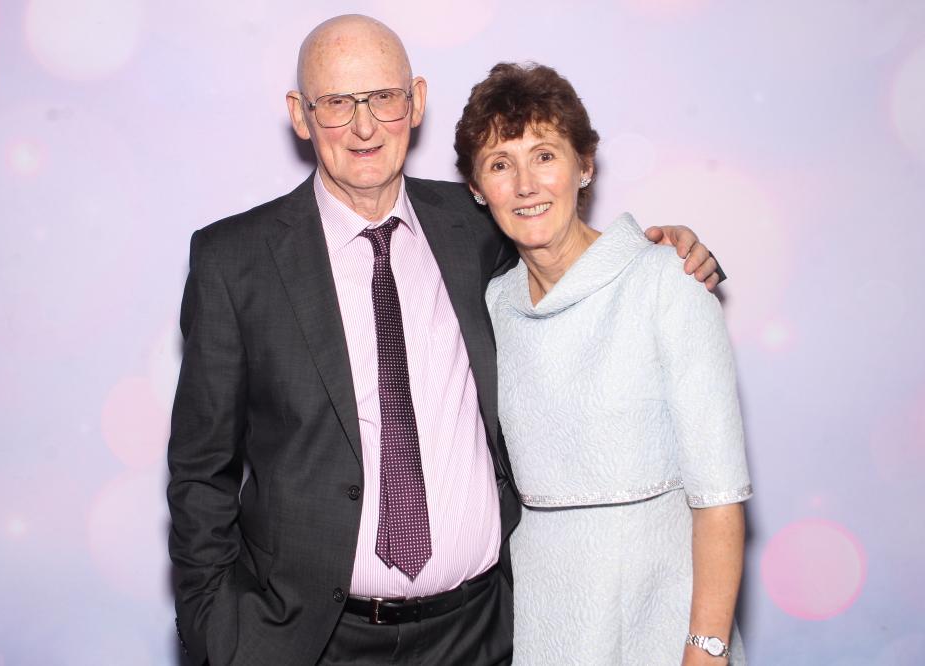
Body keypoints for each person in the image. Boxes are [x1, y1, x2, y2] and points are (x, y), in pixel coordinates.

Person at [167, 15, 722, 666]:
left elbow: (571, 258)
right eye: (338, 103)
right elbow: (201, 472)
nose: (365, 126)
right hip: (308, 641)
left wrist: (664, 251)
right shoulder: (235, 260)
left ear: (416, 101)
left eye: (384, 97)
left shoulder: (478, 223)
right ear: (300, 114)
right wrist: (219, 632)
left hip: (482, 633)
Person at [454, 62, 752, 665]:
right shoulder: (491, 305)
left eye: (544, 155)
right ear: (478, 190)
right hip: (543, 619)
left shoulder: (667, 279)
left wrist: (707, 647)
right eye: (500, 164)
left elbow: (720, 496)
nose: (526, 184)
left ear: (584, 165)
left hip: (662, 610)